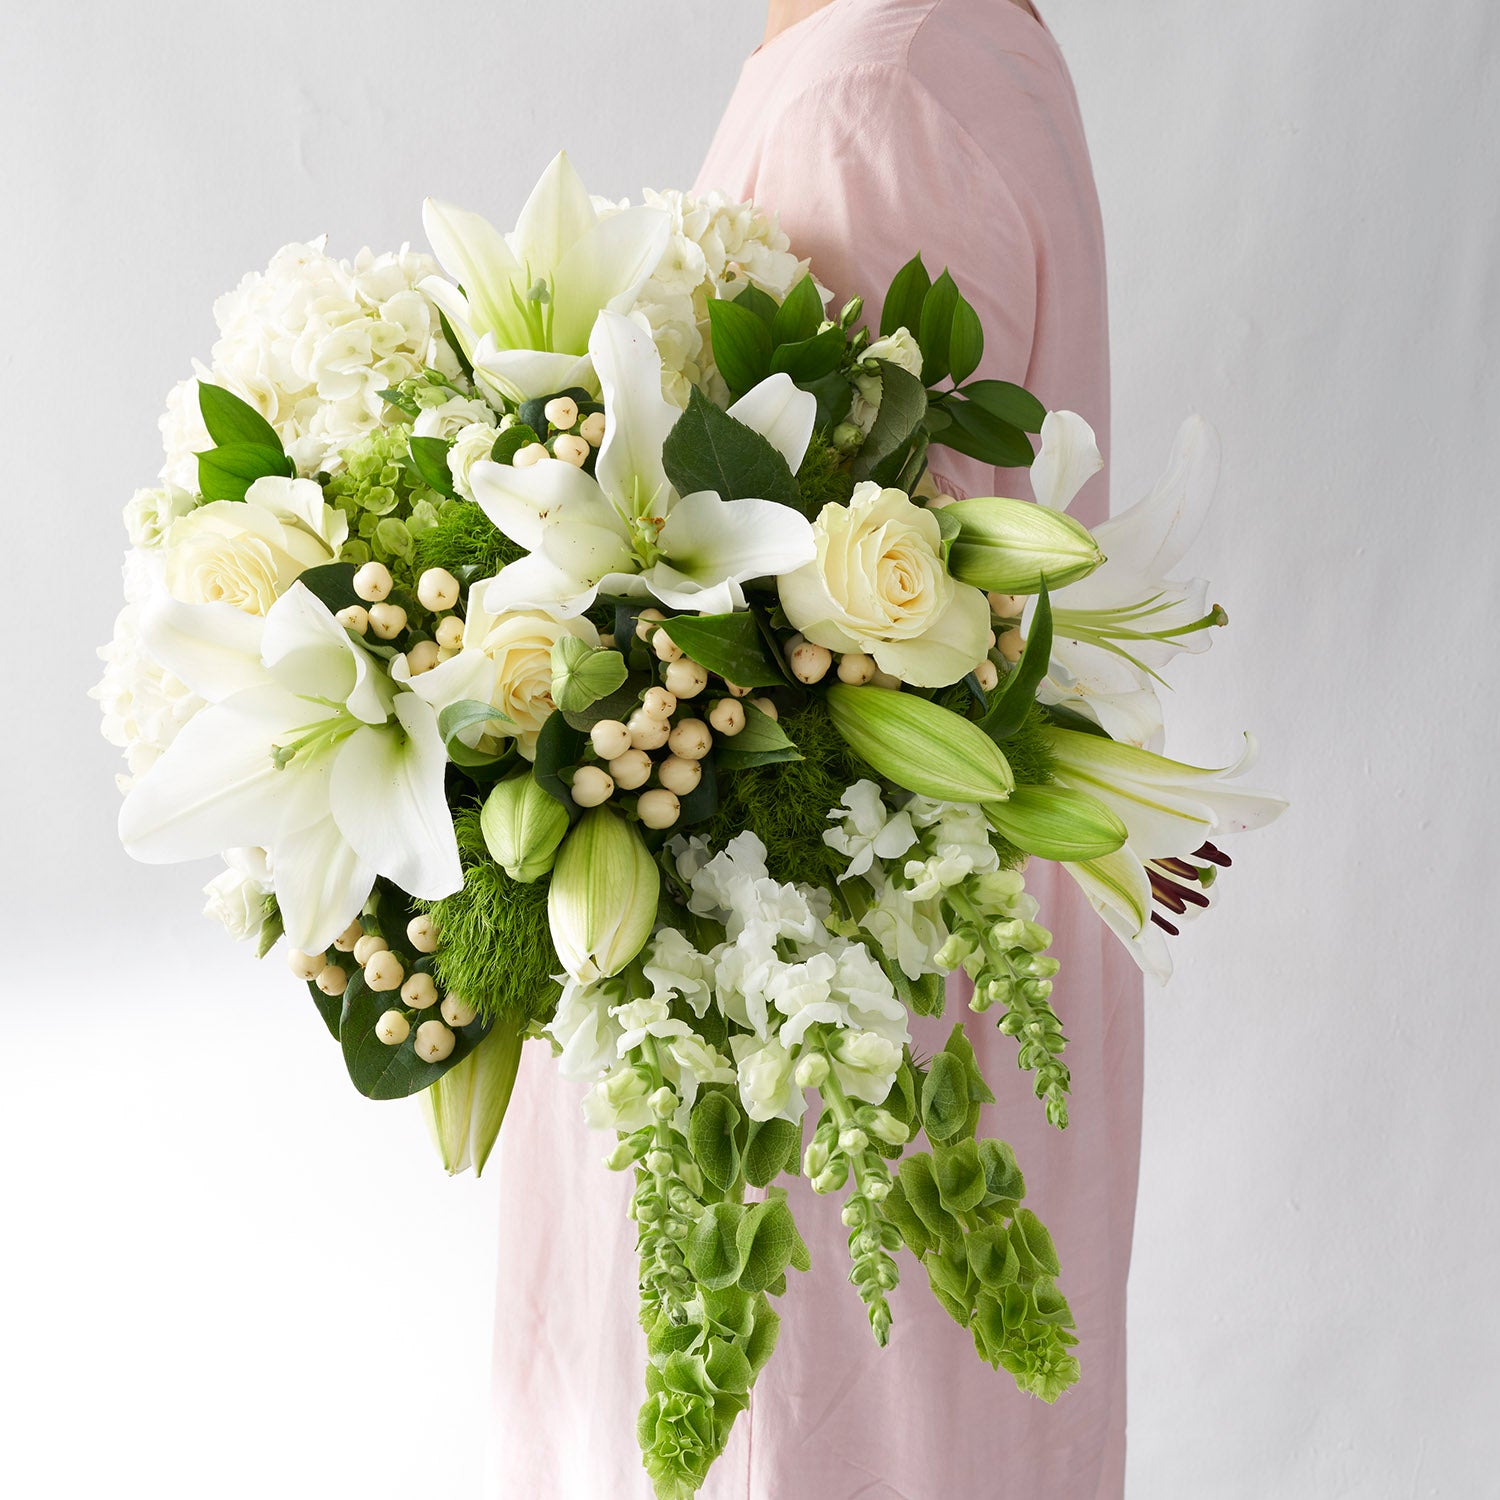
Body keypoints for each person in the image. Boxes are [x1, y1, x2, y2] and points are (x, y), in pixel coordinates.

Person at [484, 4, 1141, 1495]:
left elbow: (816, 638)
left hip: (829, 998)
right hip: (915, 935)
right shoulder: (938, 41)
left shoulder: (876, 89)